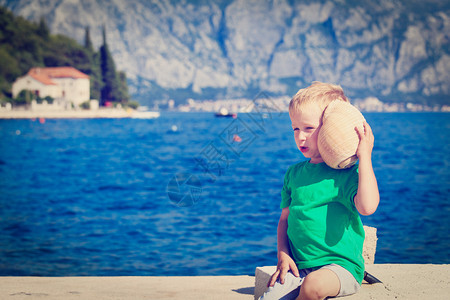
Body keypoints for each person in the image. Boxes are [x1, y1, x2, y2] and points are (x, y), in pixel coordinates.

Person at [260, 82, 379, 300]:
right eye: (295, 128)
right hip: (300, 267)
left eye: (308, 128)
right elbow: (284, 220)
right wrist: (283, 254)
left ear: (332, 128)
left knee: (313, 286)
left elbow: (368, 206)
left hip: (340, 267)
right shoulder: (294, 174)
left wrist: (365, 157)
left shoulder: (346, 175)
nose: (300, 137)